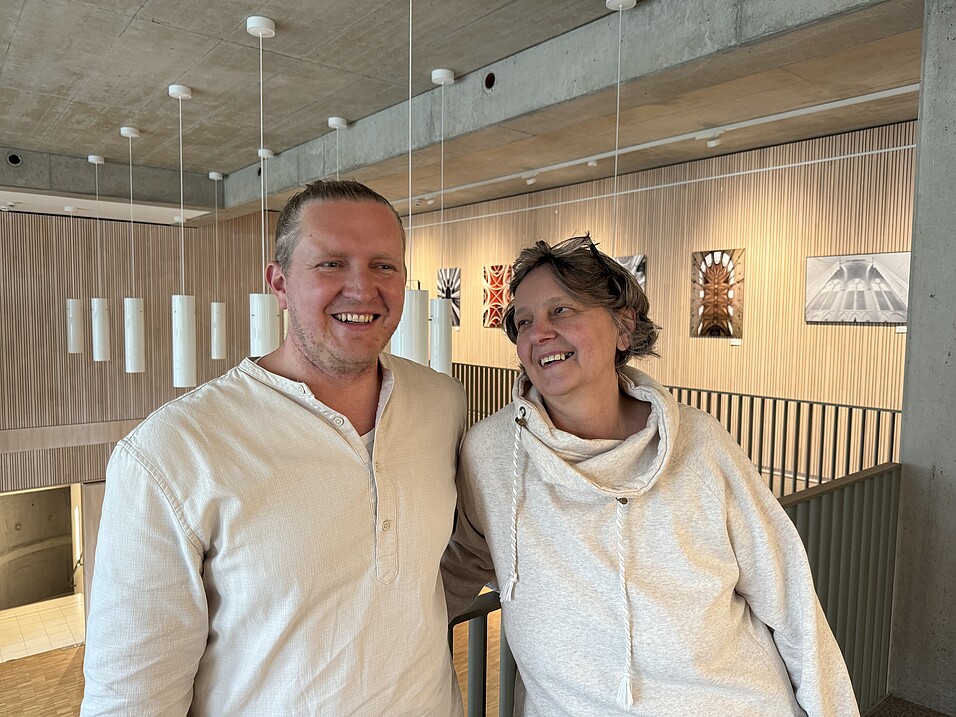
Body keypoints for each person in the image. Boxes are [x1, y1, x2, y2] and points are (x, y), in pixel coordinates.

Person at [82, 180, 466, 716]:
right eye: (332, 264)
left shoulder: (442, 403)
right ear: (279, 284)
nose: (362, 288)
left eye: (384, 266)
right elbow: (130, 698)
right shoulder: (171, 451)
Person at [442, 235, 859, 716]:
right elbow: (453, 568)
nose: (539, 333)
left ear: (624, 327)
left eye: (562, 311)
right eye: (523, 321)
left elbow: (788, 598)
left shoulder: (700, 444)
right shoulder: (492, 455)